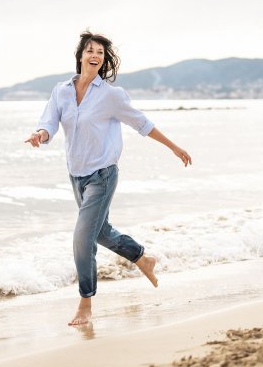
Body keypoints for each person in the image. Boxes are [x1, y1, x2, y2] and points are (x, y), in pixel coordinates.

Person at [25, 31, 192, 326]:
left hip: (103, 174)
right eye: (90, 50)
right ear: (80, 56)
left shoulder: (111, 95)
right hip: (76, 175)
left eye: (100, 52)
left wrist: (175, 148)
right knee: (100, 233)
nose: (95, 55)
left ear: (104, 60)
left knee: (82, 237)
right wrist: (41, 134)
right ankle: (142, 258)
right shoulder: (61, 91)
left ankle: (85, 304)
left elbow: (143, 124)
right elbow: (49, 120)